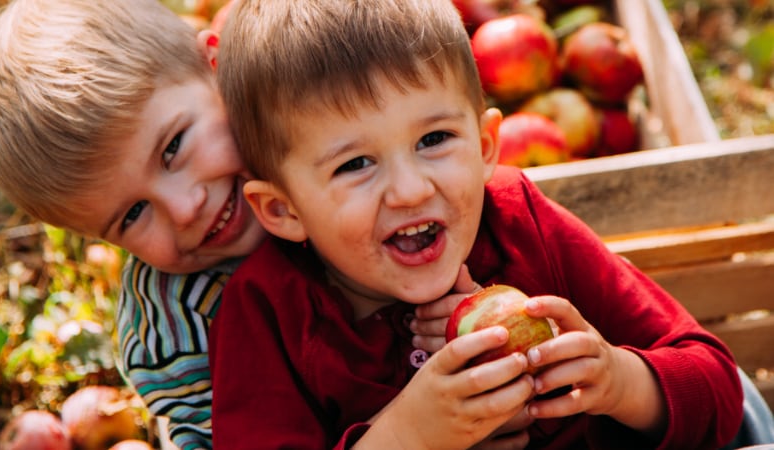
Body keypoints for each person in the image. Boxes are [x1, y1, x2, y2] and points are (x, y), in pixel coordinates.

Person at [208, 0, 744, 448]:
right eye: (354, 164)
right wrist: (407, 436)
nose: (412, 189)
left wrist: (616, 379)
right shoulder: (269, 312)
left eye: (434, 140)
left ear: (487, 146)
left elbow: (720, 389)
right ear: (284, 210)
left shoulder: (519, 223)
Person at [0, 0, 468, 448]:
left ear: (216, 68)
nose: (184, 208)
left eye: (173, 147)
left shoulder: (357, 139)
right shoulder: (180, 336)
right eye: (133, 215)